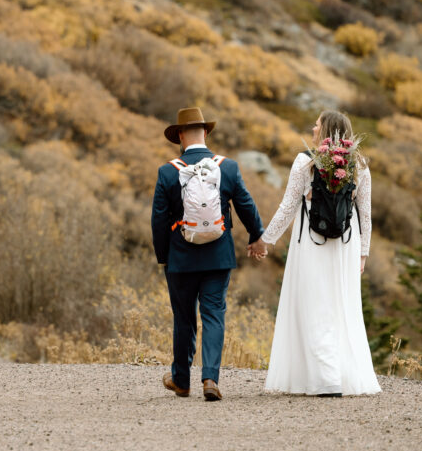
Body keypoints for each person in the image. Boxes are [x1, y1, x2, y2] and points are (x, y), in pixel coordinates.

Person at [260, 110, 381, 396]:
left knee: (314, 306)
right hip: (345, 247)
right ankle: (338, 374)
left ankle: (326, 379)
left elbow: (288, 207)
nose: (313, 129)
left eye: (316, 125)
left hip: (312, 243)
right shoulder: (360, 166)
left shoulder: (306, 162)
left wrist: (265, 239)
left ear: (325, 130)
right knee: (340, 306)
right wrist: (362, 253)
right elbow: (366, 215)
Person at [152, 107, 267, 401]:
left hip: (180, 257)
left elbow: (159, 220)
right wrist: (256, 237)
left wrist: (164, 257)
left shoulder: (167, 171)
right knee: (214, 315)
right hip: (218, 256)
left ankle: (181, 380)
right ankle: (210, 380)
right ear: (205, 132)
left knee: (184, 318)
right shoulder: (227, 167)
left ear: (179, 135)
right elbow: (245, 205)